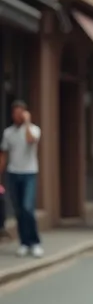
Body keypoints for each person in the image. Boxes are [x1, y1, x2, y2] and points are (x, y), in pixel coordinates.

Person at [0, 100, 43, 258]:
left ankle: (35, 242)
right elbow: (3, 155)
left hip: (29, 173)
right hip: (13, 174)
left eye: (21, 113)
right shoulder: (8, 133)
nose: (18, 116)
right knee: (18, 211)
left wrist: (27, 123)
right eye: (15, 113)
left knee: (28, 208)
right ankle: (24, 243)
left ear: (25, 113)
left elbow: (31, 140)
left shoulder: (34, 129)